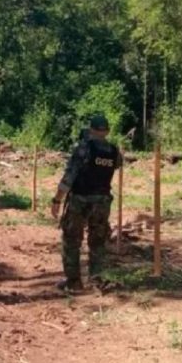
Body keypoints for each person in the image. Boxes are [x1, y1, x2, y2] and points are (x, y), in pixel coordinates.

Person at [51, 114, 122, 291]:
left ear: (91, 129)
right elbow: (116, 165)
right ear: (106, 131)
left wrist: (57, 200)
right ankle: (97, 280)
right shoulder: (114, 151)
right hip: (102, 202)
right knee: (98, 241)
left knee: (71, 240)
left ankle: (74, 282)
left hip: (80, 200)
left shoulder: (83, 148)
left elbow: (69, 177)